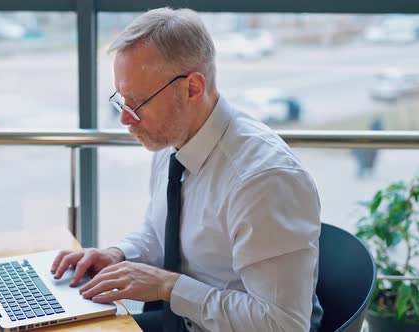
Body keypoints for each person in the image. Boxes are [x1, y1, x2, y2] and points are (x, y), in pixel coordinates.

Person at [51, 7, 323, 332]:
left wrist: (169, 287)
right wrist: (118, 255)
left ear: (193, 89)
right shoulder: (174, 139)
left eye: (136, 102)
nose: (125, 118)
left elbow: (283, 325)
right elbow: (159, 232)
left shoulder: (263, 180)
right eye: (121, 100)